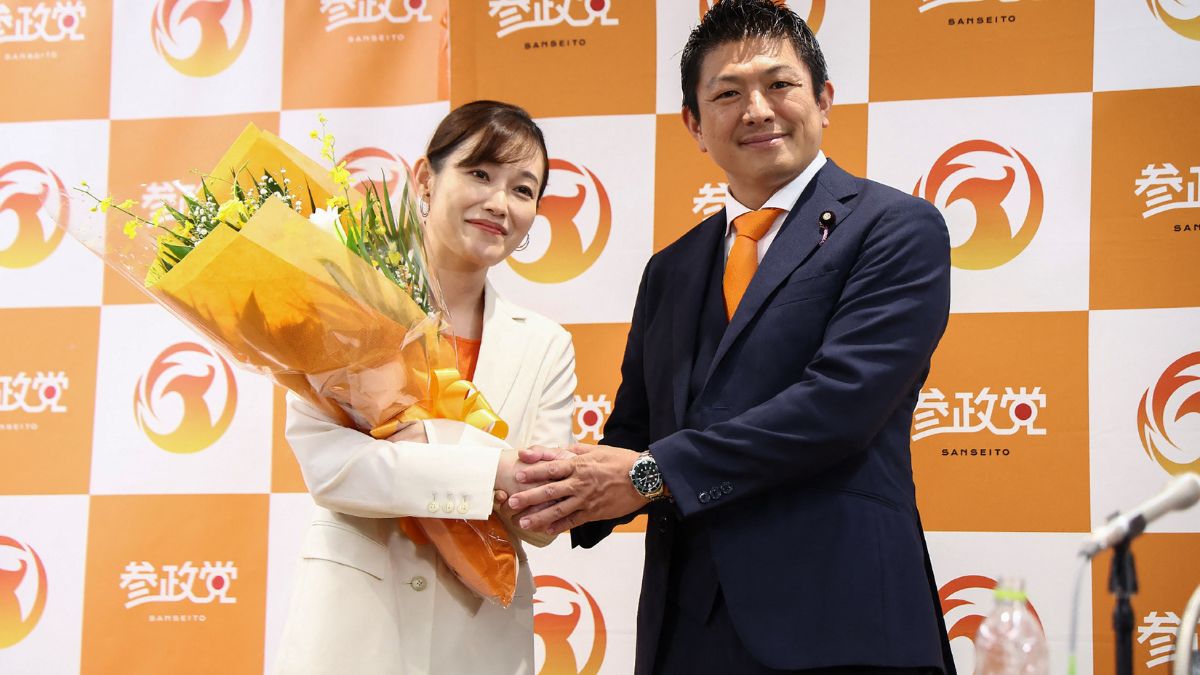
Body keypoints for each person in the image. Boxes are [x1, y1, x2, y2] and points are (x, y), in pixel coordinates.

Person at [507, 2, 957, 673]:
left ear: (824, 99)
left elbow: (839, 407)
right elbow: (634, 430)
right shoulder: (671, 268)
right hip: (687, 634)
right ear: (694, 124)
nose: (756, 109)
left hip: (841, 624)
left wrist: (647, 474)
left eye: (780, 85)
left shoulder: (895, 228)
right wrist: (547, 493)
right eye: (726, 93)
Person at [273, 100, 576, 675]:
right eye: (480, 174)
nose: (498, 203)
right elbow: (333, 471)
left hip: (478, 637)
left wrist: (418, 444)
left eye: (522, 189)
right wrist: (492, 470)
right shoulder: (342, 305)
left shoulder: (546, 345)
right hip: (353, 630)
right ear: (424, 179)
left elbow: (538, 516)